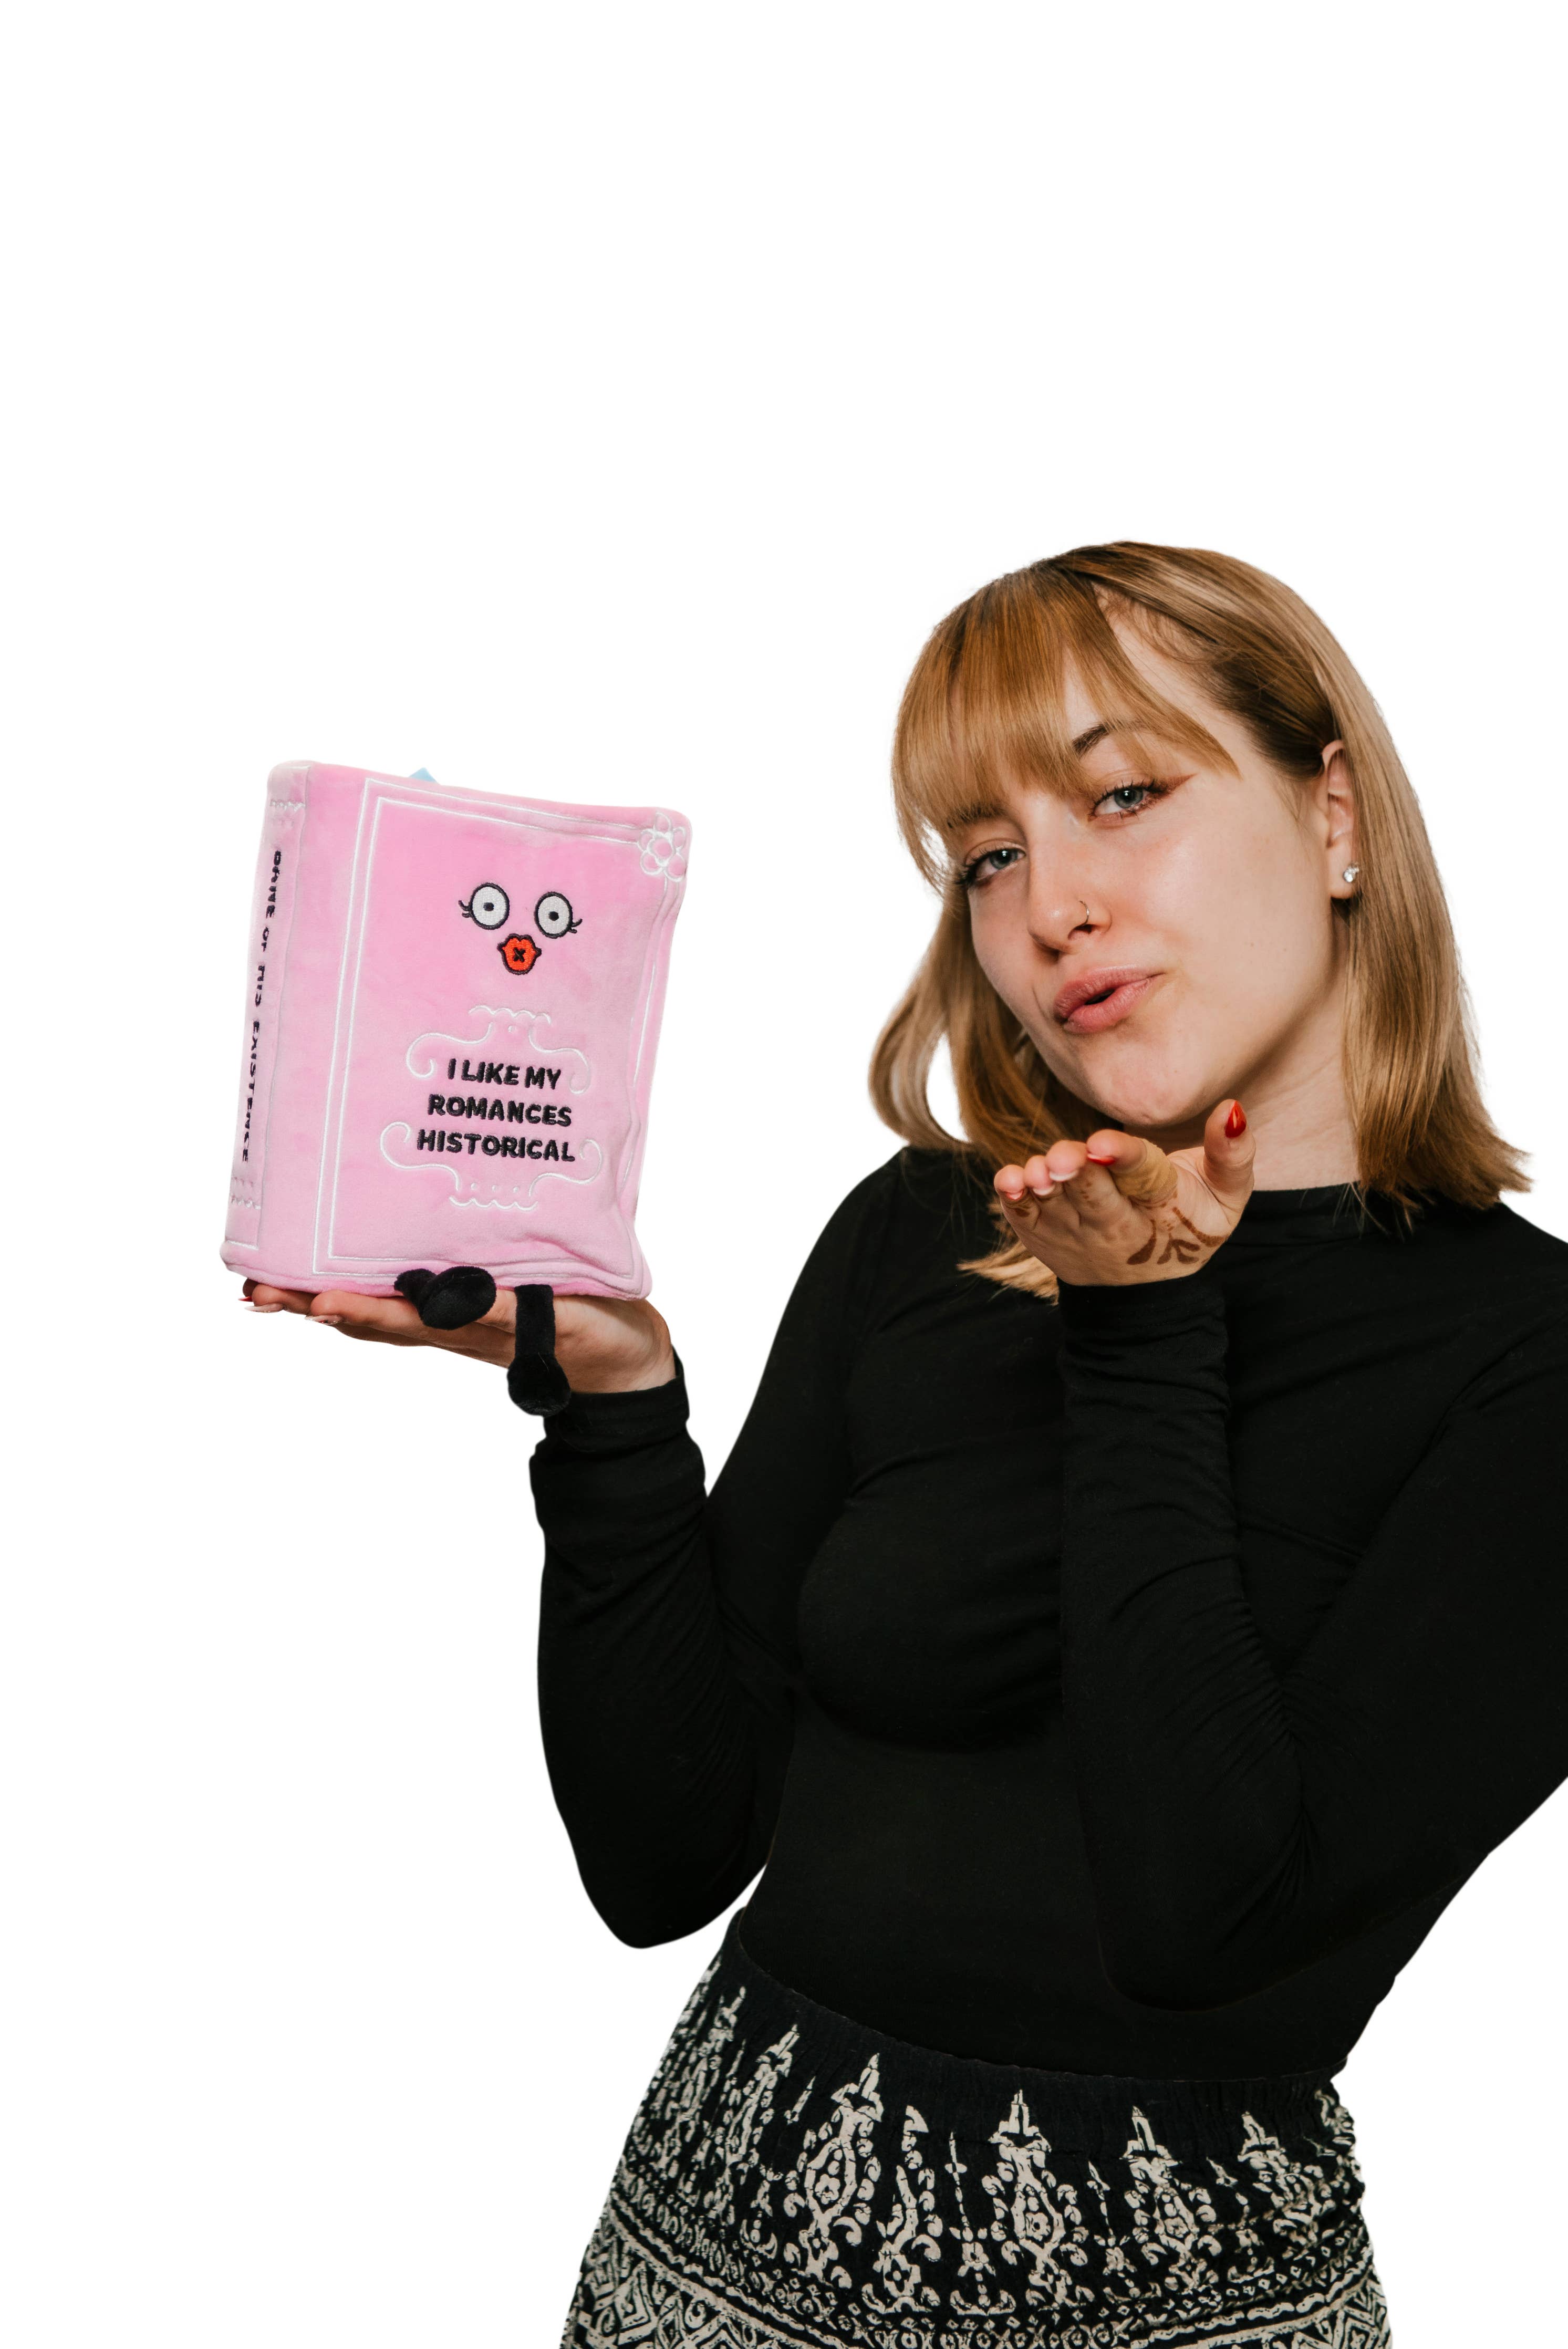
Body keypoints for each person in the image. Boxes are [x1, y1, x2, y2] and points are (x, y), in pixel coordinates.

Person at [245, 543, 1568, 2347]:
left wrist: (1149, 1321)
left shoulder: (1529, 1362)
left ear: (1331, 817)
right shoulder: (916, 1235)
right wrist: (618, 1411)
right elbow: (662, 1858)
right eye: (989, 856)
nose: (1051, 908)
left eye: (1123, 795)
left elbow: (1207, 1929)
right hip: (697, 2268)